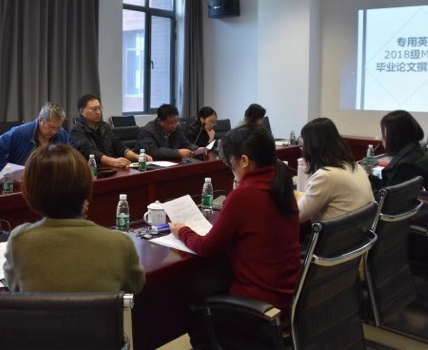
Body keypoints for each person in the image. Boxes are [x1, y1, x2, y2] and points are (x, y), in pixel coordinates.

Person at [170, 125, 300, 315]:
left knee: (186, 294)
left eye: (230, 161)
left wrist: (182, 231)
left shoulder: (243, 196)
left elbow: (206, 248)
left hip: (257, 305)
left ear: (244, 161)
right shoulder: (282, 186)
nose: (229, 166)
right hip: (287, 297)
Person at [3, 144, 145, 293]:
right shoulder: (120, 244)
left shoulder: (19, 241)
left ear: (30, 192)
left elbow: (14, 288)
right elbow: (135, 288)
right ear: (86, 187)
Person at [296, 118, 374, 223]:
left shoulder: (325, 176)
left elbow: (297, 216)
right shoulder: (355, 166)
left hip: (340, 232)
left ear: (311, 147)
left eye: (303, 146)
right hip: (361, 231)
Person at [0, 102, 70, 174]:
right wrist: (10, 173)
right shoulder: (21, 132)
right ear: (40, 120)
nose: (54, 131)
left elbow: (68, 158)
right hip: (24, 180)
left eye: (58, 127)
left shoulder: (61, 134)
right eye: (51, 127)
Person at [70, 94, 151, 167]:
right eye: (94, 109)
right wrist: (112, 161)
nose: (98, 112)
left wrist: (137, 157)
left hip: (110, 167)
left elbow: (118, 145)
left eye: (99, 108)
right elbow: (89, 151)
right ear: (82, 111)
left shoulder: (104, 126)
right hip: (92, 170)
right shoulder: (76, 130)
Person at [135, 103, 205, 160]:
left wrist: (197, 149)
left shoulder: (176, 127)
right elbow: (154, 151)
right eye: (171, 123)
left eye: (176, 121)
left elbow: (185, 143)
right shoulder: (148, 131)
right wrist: (177, 153)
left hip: (171, 163)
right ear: (160, 121)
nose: (174, 125)